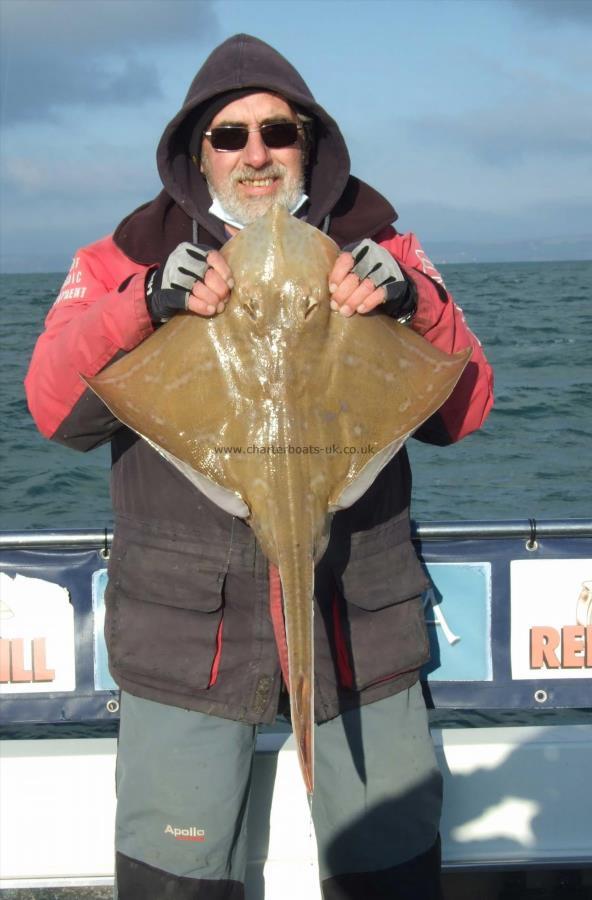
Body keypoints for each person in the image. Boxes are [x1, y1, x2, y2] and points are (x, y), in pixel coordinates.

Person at [25, 33, 493, 900]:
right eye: (229, 135)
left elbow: (466, 409)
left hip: (362, 624)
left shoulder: (381, 246)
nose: (256, 153)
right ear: (196, 152)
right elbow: (54, 407)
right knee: (179, 877)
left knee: (387, 865)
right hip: (190, 637)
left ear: (310, 142)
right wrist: (143, 307)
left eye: (278, 132)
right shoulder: (123, 256)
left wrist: (414, 302)